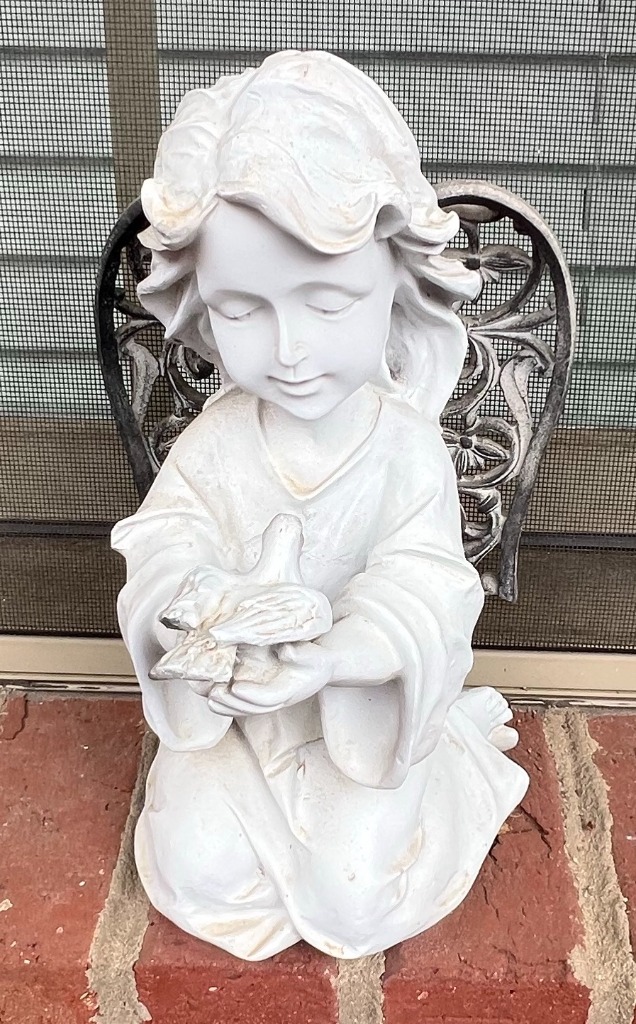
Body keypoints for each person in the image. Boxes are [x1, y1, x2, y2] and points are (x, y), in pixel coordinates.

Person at [112, 50, 528, 960]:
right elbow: (164, 545)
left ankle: (451, 763)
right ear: (201, 306)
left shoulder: (403, 448)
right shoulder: (218, 441)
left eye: (329, 302)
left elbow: (425, 591)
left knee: (352, 906)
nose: (290, 349)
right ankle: (269, 839)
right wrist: (204, 609)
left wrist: (330, 658)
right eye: (243, 309)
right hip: (242, 718)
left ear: (396, 287)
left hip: (356, 712)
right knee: (195, 872)